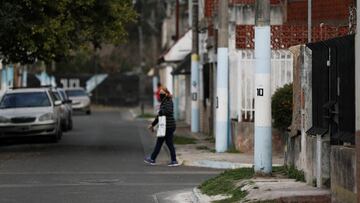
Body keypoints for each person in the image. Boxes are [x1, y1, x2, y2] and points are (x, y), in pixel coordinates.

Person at [144, 87, 179, 167]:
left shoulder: (168, 101)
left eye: (162, 92)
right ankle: (173, 160)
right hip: (165, 126)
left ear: (166, 93)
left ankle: (153, 159)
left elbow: (168, 111)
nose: (160, 94)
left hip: (168, 126)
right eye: (160, 92)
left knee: (161, 142)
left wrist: (160, 111)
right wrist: (152, 124)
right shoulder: (163, 102)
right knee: (167, 143)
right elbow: (159, 116)